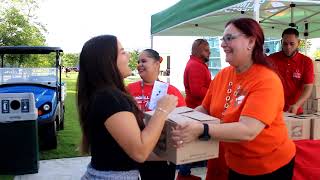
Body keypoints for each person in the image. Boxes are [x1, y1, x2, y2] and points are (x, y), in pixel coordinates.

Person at [172, 18, 296, 180]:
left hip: (268, 166)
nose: (223, 44)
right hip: (235, 162)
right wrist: (181, 121)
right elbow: (205, 109)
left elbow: (248, 130)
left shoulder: (266, 80)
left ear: (251, 42)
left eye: (229, 38)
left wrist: (202, 129)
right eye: (223, 39)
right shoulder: (224, 75)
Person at [76, 35, 178, 180]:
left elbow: (126, 151)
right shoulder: (111, 99)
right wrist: (161, 111)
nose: (129, 56)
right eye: (123, 52)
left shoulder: (104, 95)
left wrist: (176, 153)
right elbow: (140, 152)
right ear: (108, 61)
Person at [127, 49, 185, 180]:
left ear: (157, 64)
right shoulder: (129, 89)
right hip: (136, 148)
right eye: (138, 62)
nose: (139, 64)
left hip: (161, 155)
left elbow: (182, 120)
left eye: (144, 61)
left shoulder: (170, 91)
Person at [177, 39, 213, 180]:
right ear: (197, 50)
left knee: (192, 146)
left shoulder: (196, 64)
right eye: (206, 49)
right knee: (191, 147)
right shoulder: (196, 66)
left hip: (196, 110)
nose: (209, 51)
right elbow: (197, 91)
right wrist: (215, 92)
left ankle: (184, 174)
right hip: (197, 111)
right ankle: (184, 175)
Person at [267, 28, 314, 115]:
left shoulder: (306, 62)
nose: (288, 47)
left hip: (295, 110)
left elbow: (308, 87)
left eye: (292, 44)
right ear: (281, 42)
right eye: (285, 44)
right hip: (273, 110)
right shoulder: (271, 59)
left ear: (298, 43)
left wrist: (297, 105)